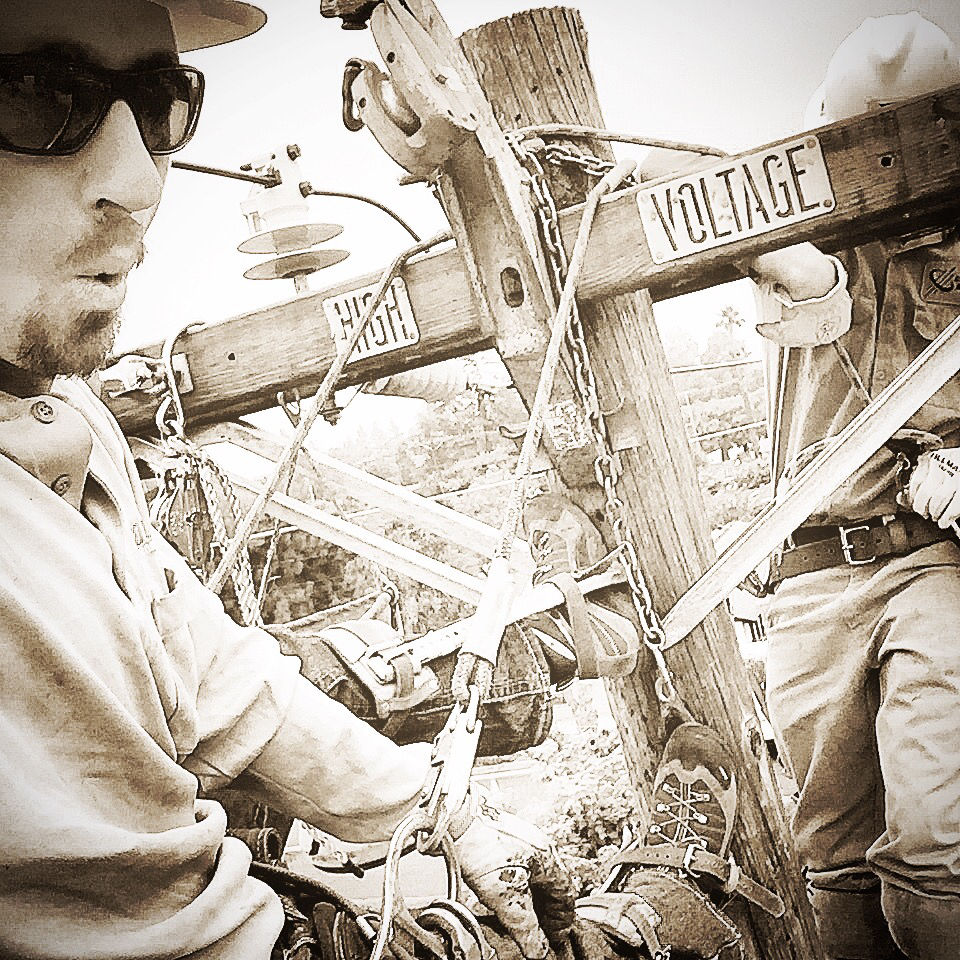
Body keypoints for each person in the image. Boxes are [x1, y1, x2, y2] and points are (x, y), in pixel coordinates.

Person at [0, 3, 574, 958]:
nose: (138, 182)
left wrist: (437, 813)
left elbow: (196, 658)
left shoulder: (69, 413)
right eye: (37, 97)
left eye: (160, 104)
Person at [750, 13, 960, 960]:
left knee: (933, 848)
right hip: (810, 579)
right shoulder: (803, 249)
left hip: (931, 567)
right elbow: (805, 287)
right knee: (832, 857)